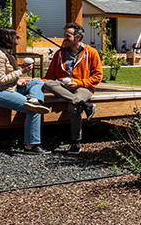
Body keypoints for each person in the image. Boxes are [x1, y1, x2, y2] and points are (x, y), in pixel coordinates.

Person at [0, 27, 51, 154]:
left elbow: (5, 75)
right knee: (34, 110)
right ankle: (31, 146)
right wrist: (21, 72)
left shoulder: (2, 52)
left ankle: (34, 100)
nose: (17, 40)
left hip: (7, 87)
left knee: (38, 81)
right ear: (7, 38)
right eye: (15, 37)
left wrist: (18, 80)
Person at [43, 22, 103, 154]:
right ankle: (84, 104)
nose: (64, 38)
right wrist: (37, 82)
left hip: (83, 87)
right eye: (64, 35)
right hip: (63, 87)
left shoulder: (91, 52)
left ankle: (75, 142)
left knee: (73, 106)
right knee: (47, 84)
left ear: (78, 38)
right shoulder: (59, 54)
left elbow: (98, 76)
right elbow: (49, 77)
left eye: (67, 36)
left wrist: (78, 83)